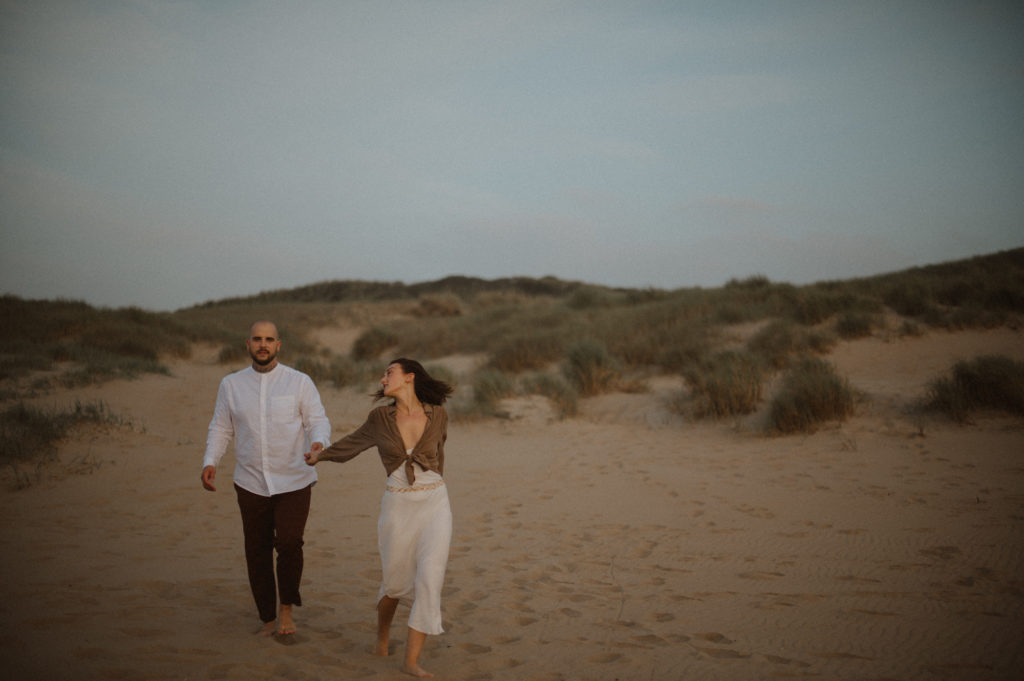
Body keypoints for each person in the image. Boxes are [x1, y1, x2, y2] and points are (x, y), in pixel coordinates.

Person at [305, 358, 453, 679]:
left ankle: (410, 661)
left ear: (409, 377)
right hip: (397, 506)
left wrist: (432, 484)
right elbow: (353, 443)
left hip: (435, 504)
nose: (383, 378)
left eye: (389, 372)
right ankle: (382, 637)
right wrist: (321, 455)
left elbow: (439, 453)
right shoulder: (380, 418)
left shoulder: (438, 415)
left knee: (430, 578)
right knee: (394, 585)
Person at [201, 320, 332, 638]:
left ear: (278, 345)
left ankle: (286, 609)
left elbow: (317, 419)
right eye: (257, 339)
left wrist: (318, 442)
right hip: (250, 482)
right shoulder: (231, 385)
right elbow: (221, 427)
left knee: (289, 543)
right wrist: (210, 461)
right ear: (247, 344)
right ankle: (268, 619)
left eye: (269, 339)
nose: (263, 344)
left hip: (294, 479)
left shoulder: (299, 382)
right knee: (257, 550)